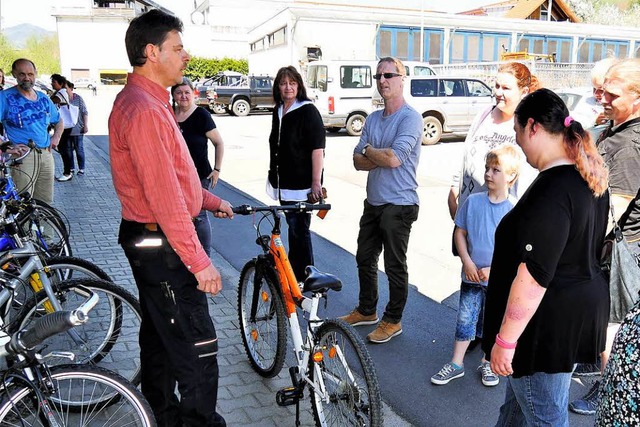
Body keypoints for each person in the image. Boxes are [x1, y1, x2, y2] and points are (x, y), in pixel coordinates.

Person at [108, 9, 232, 427]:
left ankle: (160, 413)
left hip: (152, 239)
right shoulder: (144, 109)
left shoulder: (148, 102)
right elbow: (163, 200)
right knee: (195, 342)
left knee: (161, 332)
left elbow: (172, 177)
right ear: (151, 52)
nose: (187, 56)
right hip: (162, 244)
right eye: (177, 48)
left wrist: (211, 202)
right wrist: (200, 262)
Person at [482, 88, 609, 426]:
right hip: (567, 317)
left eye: (518, 132)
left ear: (534, 127)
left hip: (543, 328)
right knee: (517, 410)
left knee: (545, 416)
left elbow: (534, 276)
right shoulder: (587, 177)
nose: (519, 144)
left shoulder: (552, 190)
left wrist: (505, 341)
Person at [447, 62, 539, 352]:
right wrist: (454, 187)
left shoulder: (528, 123)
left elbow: (532, 174)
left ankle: (498, 340)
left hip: (506, 213)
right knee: (473, 272)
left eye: (505, 87)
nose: (498, 93)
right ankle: (473, 332)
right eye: (496, 86)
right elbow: (467, 155)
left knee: (500, 280)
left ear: (524, 91)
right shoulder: (484, 115)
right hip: (475, 208)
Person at [570, 57, 640, 416]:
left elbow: (615, 211)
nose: (602, 98)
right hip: (611, 248)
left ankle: (608, 385)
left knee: (615, 327)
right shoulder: (616, 128)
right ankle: (595, 363)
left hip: (622, 251)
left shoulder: (629, 145)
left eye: (612, 93)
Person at [339, 57, 421, 344]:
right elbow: (357, 162)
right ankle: (366, 310)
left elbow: (394, 158)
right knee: (364, 258)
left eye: (388, 75)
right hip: (373, 202)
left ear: (402, 78)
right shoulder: (373, 118)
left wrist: (371, 150)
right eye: (378, 76)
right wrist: (378, 155)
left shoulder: (410, 118)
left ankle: (392, 320)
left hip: (399, 204)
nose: (382, 81)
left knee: (394, 264)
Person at [431, 145, 521, 388]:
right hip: (471, 276)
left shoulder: (514, 210)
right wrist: (467, 261)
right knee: (465, 318)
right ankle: (456, 363)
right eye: (487, 169)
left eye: (496, 170)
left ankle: (487, 361)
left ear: (511, 176)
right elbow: (460, 232)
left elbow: (516, 250)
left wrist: (496, 269)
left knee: (491, 322)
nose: (489, 174)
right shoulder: (473, 202)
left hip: (497, 280)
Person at [266, 65, 325, 281]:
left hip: (302, 184)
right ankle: (292, 274)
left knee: (300, 231)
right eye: (283, 83)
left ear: (299, 85)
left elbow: (317, 148)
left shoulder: (308, 110)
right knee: (292, 230)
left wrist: (316, 182)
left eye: (292, 83)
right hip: (284, 182)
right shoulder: (279, 110)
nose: (288, 87)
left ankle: (307, 276)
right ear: (278, 88)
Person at [171, 77, 224, 256]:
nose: (183, 96)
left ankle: (205, 255)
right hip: (175, 175)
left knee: (199, 214)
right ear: (173, 95)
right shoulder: (170, 114)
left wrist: (217, 170)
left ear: (193, 93)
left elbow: (219, 143)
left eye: (187, 92)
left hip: (199, 175)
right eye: (179, 92)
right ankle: (186, 253)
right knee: (179, 215)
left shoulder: (201, 115)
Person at [0, 58, 63, 204]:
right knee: (22, 205)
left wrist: (56, 138)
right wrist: (6, 146)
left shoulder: (43, 98)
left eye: (30, 74)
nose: (27, 78)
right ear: (14, 74)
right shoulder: (5, 97)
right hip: (23, 157)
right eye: (22, 74)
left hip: (46, 156)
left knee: (45, 204)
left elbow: (59, 120)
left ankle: (44, 228)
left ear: (36, 74)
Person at [571, 57, 619, 129]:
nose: (596, 94)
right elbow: (576, 122)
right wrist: (595, 122)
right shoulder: (588, 101)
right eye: (594, 89)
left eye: (602, 90)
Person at [50, 74, 74, 182]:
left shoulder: (61, 92)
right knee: (63, 148)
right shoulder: (63, 92)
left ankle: (67, 172)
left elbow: (51, 102)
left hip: (64, 125)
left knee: (64, 148)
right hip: (64, 125)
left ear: (60, 83)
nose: (52, 84)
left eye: (54, 82)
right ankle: (69, 170)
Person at [66, 82, 88, 176]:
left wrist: (85, 125)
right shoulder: (61, 98)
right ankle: (71, 168)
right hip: (66, 129)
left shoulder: (78, 98)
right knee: (68, 150)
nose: (65, 90)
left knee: (79, 149)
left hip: (77, 128)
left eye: (66, 88)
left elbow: (84, 111)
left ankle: (81, 168)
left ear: (71, 88)